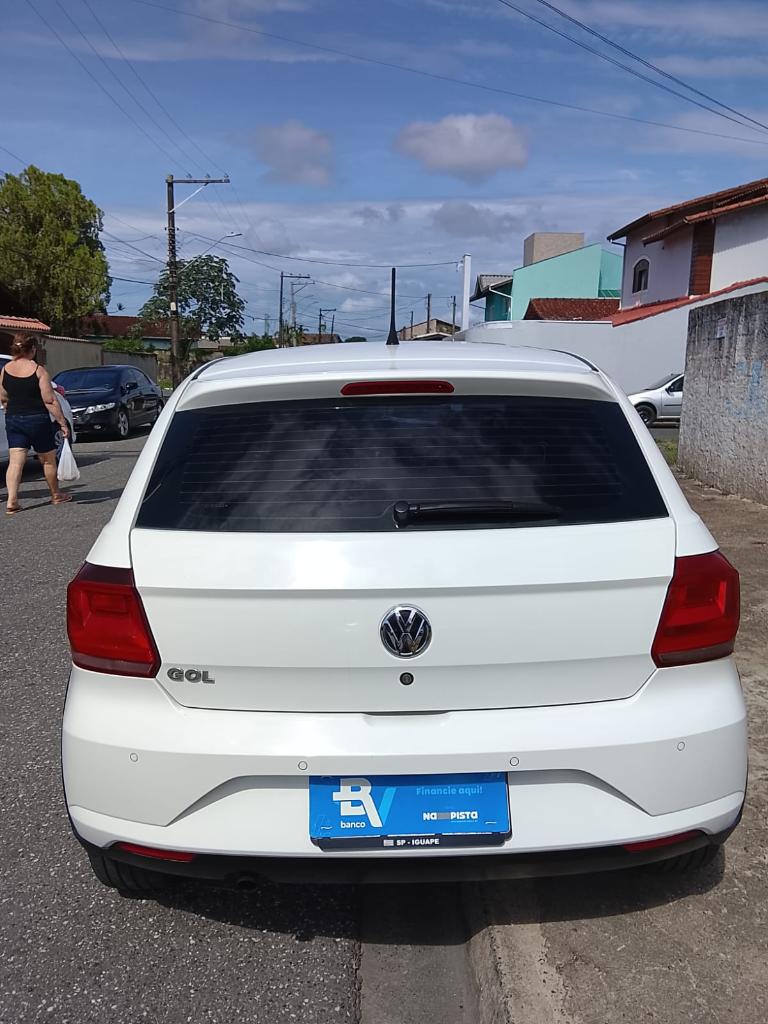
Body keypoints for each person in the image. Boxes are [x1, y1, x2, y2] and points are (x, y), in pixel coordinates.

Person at [1, 333, 73, 515]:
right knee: (47, 459)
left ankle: (12, 501)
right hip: (37, 419)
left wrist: (10, 410)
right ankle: (56, 495)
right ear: (32, 349)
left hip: (14, 419)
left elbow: (3, 397)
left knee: (15, 461)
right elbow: (50, 400)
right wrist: (62, 423)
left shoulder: (5, 369)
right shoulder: (38, 370)